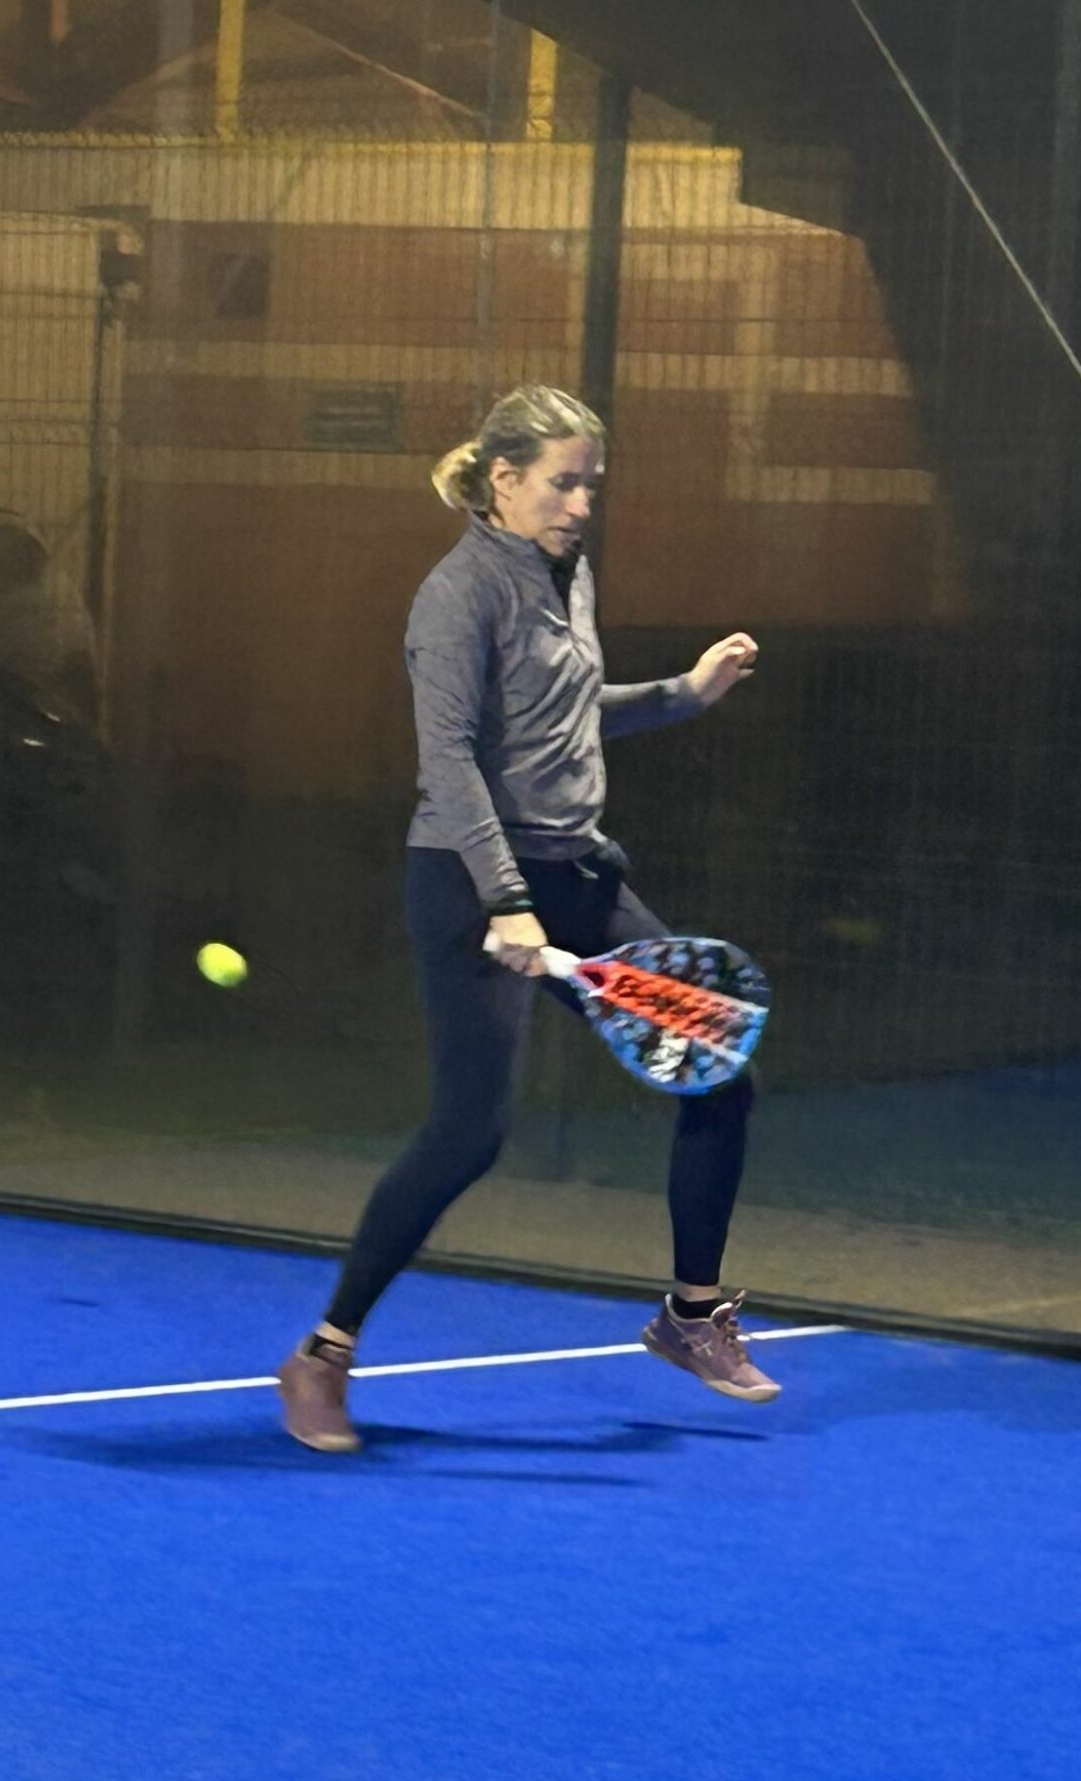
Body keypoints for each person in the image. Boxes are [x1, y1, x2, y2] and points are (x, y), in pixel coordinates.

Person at [277, 384, 774, 1452]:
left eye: (592, 483)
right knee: (469, 1133)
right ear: (503, 480)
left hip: (578, 875)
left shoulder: (565, 573)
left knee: (717, 1068)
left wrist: (683, 694)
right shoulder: (456, 597)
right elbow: (450, 760)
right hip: (468, 883)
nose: (582, 504)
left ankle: (692, 1317)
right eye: (563, 483)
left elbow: (565, 717)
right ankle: (323, 1356)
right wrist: (505, 901)